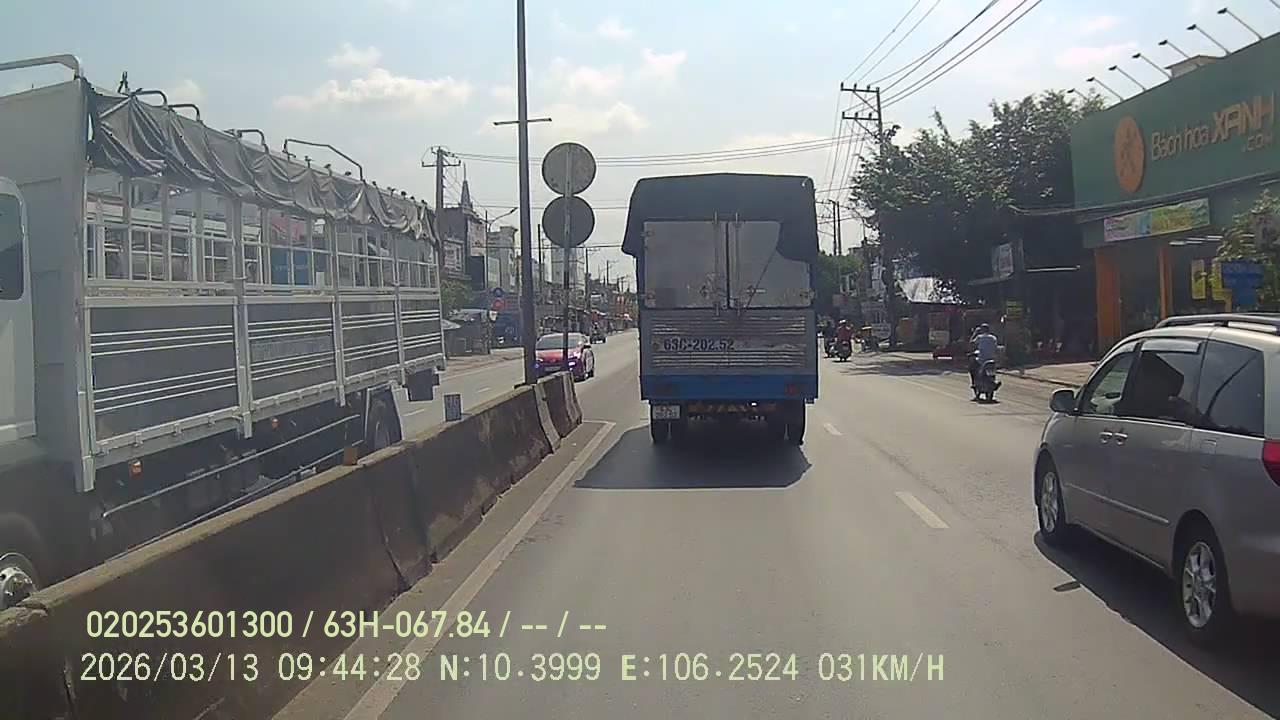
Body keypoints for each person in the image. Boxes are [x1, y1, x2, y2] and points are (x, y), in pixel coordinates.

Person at [969, 322, 999, 388]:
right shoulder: (993, 338)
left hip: (982, 359)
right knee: (993, 370)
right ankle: (993, 382)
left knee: (972, 368)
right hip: (992, 359)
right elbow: (995, 348)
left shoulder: (979, 337)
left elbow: (971, 343)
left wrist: (974, 333)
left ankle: (974, 383)